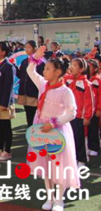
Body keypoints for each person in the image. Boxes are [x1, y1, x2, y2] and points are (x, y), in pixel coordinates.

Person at [27, 46, 79, 211]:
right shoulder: (42, 84)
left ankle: (59, 200)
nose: (44, 71)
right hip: (42, 130)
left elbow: (72, 112)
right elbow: (30, 71)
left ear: (58, 72)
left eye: (48, 68)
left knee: (59, 165)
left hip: (57, 131)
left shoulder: (65, 91)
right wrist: (34, 58)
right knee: (46, 165)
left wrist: (55, 122)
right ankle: (49, 198)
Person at [64, 57, 94, 167]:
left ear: (81, 69)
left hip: (79, 117)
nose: (71, 67)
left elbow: (89, 102)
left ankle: (81, 160)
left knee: (79, 139)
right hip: (67, 116)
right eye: (71, 64)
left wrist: (87, 117)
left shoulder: (86, 84)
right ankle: (70, 159)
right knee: (68, 138)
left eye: (75, 65)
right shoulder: (66, 80)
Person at [17, 40, 46, 127]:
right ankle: (30, 131)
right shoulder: (24, 61)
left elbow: (42, 78)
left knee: (36, 114)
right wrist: (14, 67)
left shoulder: (41, 62)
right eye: (26, 47)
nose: (26, 49)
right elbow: (21, 76)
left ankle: (36, 132)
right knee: (28, 114)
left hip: (34, 92)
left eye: (29, 47)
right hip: (25, 92)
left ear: (35, 49)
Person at [87, 59, 100, 157]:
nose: (88, 69)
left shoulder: (97, 80)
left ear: (95, 68)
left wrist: (99, 109)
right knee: (89, 129)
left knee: (94, 129)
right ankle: (90, 146)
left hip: (95, 110)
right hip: (88, 109)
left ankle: (94, 147)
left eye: (90, 67)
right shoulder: (88, 79)